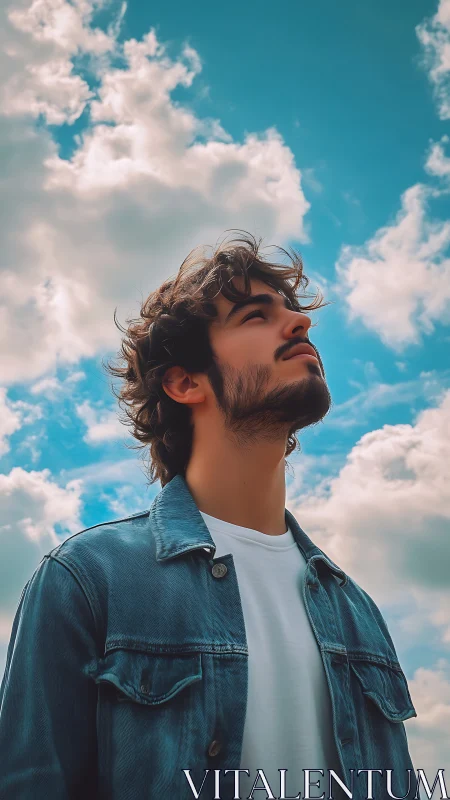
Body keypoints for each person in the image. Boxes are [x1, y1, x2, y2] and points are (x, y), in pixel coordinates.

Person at [0, 231, 419, 800]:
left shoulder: (358, 612)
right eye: (255, 315)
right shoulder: (87, 579)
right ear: (184, 381)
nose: (300, 325)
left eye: (294, 313)